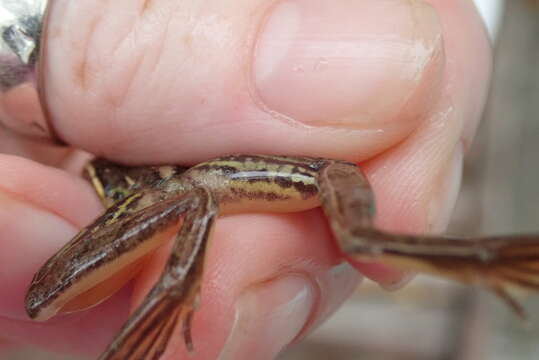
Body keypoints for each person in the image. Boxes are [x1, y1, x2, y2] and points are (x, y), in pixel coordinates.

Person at [0, 0, 491, 359]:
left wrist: (176, 286)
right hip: (167, 174)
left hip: (230, 171)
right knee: (43, 299)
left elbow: (195, 197)